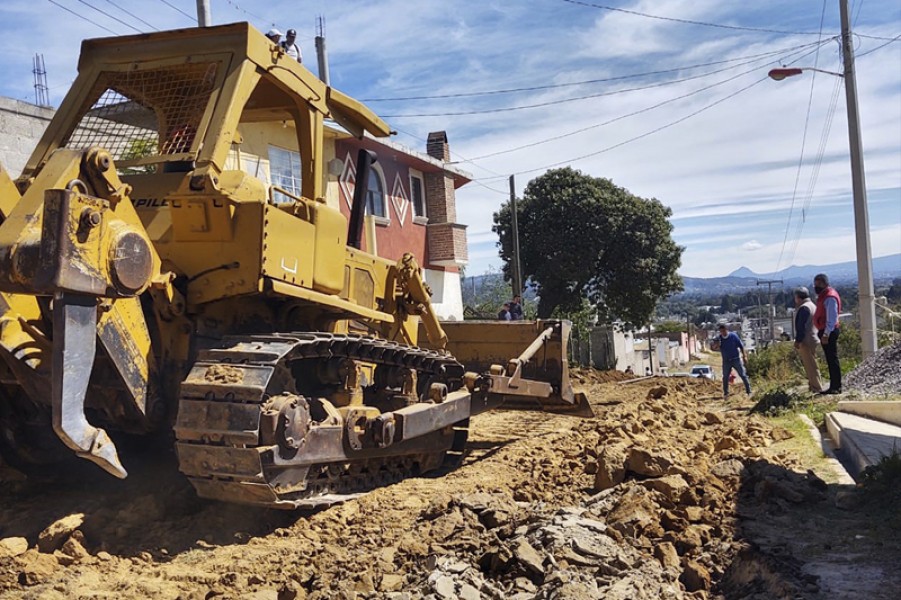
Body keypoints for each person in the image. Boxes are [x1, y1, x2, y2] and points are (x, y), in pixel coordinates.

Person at [813, 273, 842, 394]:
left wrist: (826, 334)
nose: (816, 287)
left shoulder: (829, 297)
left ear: (825, 283)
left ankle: (836, 387)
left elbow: (832, 317)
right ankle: (833, 386)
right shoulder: (824, 296)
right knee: (830, 359)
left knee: (832, 359)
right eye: (815, 285)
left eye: (818, 284)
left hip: (828, 331)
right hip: (825, 330)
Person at [793, 287, 823, 393]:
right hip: (814, 337)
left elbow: (801, 326)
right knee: (813, 363)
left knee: (810, 366)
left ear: (798, 298)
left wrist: (798, 340)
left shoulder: (804, 308)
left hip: (806, 340)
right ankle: (813, 386)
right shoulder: (812, 306)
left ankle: (816, 388)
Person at [714, 324, 751, 399]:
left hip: (736, 359)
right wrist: (717, 345)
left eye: (723, 331)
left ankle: (749, 391)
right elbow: (714, 348)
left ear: (726, 330)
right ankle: (726, 394)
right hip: (726, 361)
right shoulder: (719, 339)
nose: (722, 333)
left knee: (743, 375)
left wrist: (744, 356)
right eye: (721, 331)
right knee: (725, 377)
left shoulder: (733, 336)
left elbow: (741, 346)